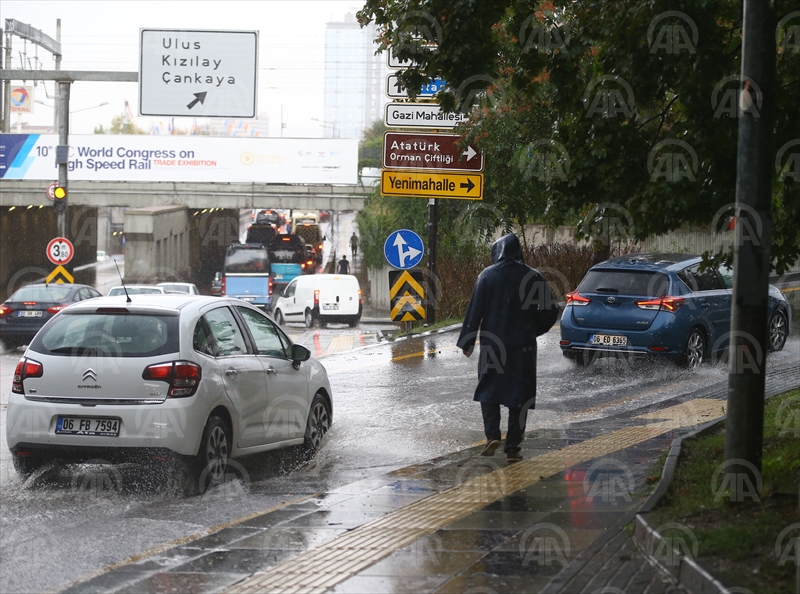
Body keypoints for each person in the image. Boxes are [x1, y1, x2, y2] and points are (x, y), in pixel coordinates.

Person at [457, 234, 560, 463]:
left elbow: (475, 310)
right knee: (519, 396)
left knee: (488, 390)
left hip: (493, 345)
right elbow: (551, 311)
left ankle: (492, 436)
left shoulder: (487, 276)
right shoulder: (533, 277)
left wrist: (466, 342)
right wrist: (534, 330)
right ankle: (513, 446)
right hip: (523, 347)